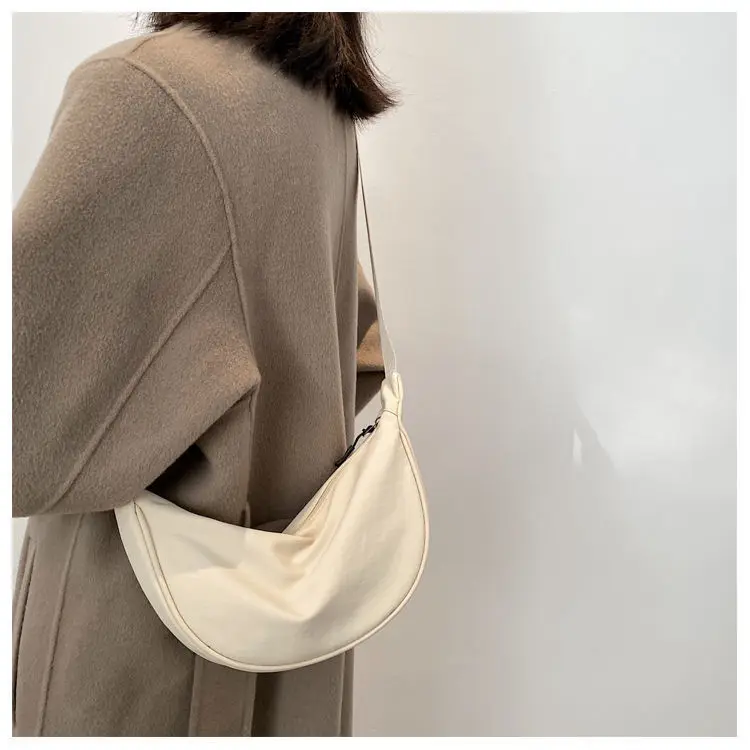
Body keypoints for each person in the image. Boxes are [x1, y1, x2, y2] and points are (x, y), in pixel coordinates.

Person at [12, 12, 393, 737]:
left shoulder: (149, 93)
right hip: (286, 639)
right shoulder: (320, 110)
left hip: (142, 653)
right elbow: (354, 350)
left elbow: (21, 424)